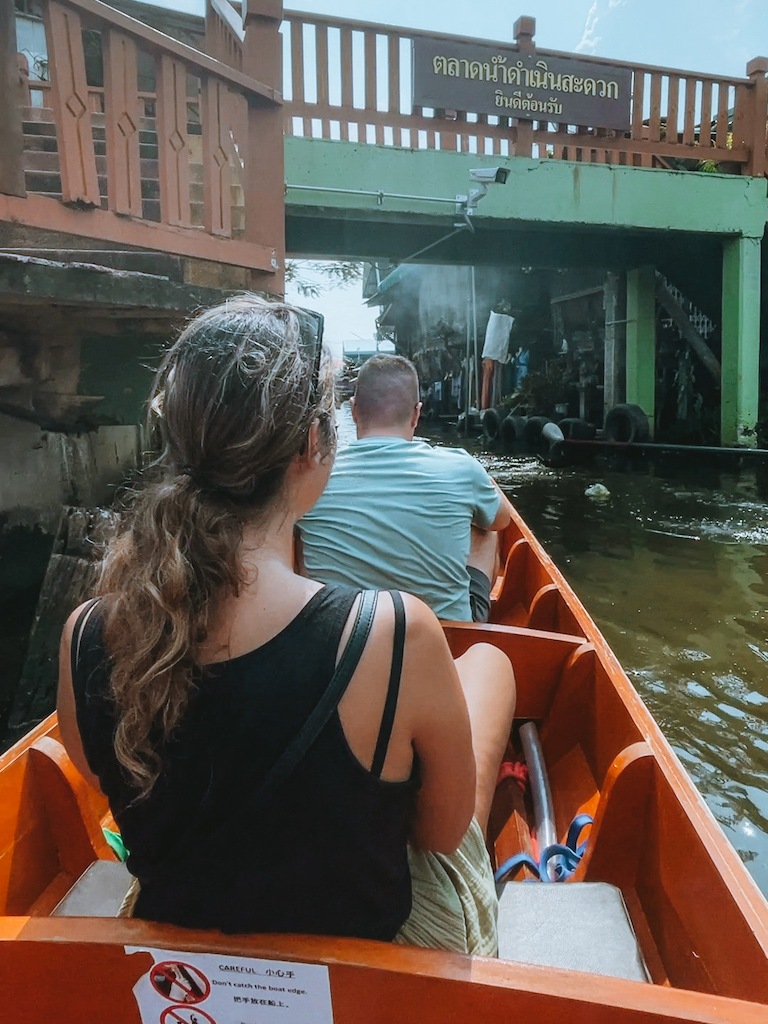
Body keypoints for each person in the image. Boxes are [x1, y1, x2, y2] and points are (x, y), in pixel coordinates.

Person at [56, 296, 516, 954]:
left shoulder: (84, 635)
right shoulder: (393, 633)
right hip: (370, 966)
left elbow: (102, 777)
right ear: (311, 445)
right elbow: (440, 836)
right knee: (491, 666)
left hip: (185, 956)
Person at [298, 354, 514, 622]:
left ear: (353, 411)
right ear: (416, 414)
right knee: (485, 525)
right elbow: (502, 520)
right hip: (448, 638)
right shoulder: (461, 467)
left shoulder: (313, 476)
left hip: (342, 636)